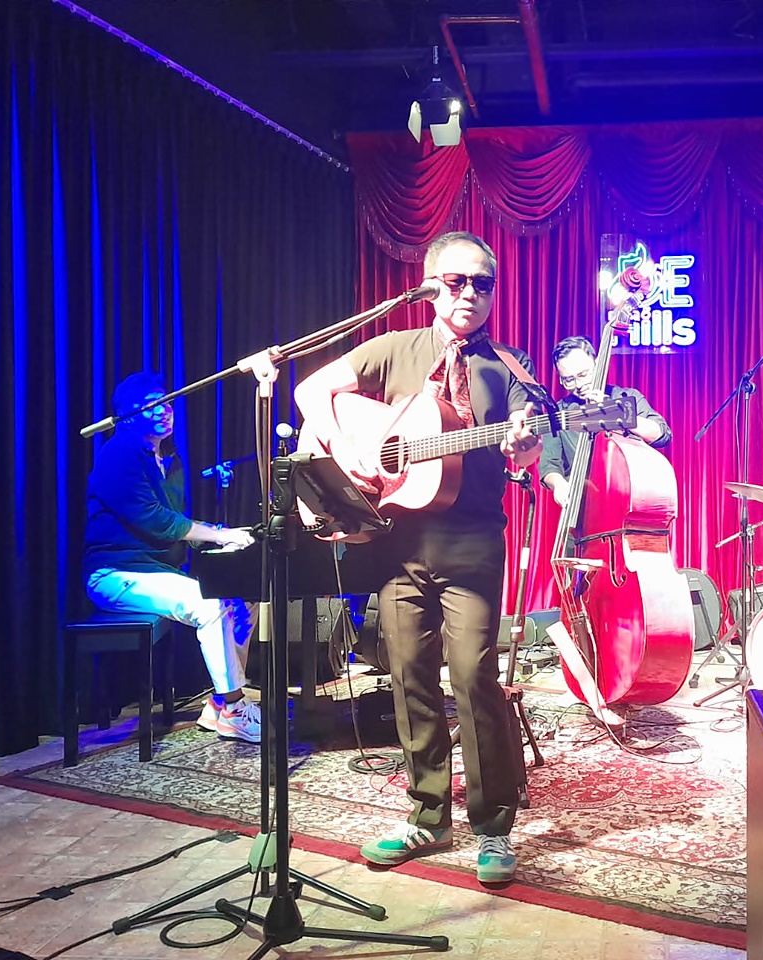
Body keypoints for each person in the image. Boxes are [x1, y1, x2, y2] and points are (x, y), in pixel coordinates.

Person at [293, 231, 541, 885]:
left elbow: (527, 449)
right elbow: (311, 391)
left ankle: (493, 827)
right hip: (396, 542)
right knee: (408, 677)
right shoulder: (393, 349)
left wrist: (523, 446)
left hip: (473, 543)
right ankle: (428, 815)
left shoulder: (510, 369)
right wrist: (349, 452)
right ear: (431, 286)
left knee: (474, 677)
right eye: (457, 281)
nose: (470, 294)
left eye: (483, 283)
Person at [83, 372, 260, 743]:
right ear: (126, 416)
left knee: (243, 597)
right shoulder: (118, 453)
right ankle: (233, 706)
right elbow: (155, 520)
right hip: (115, 573)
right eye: (150, 405)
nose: (163, 411)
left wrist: (218, 536)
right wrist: (218, 535)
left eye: (166, 402)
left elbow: (176, 521)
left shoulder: (170, 459)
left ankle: (220, 703)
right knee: (210, 606)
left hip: (154, 570)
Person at [539, 335, 671, 508]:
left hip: (631, 500)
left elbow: (661, 435)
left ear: (597, 364)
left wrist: (614, 411)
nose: (579, 384)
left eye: (583, 374)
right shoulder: (558, 413)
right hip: (584, 505)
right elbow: (549, 464)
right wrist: (559, 484)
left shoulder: (626, 397)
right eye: (569, 380)